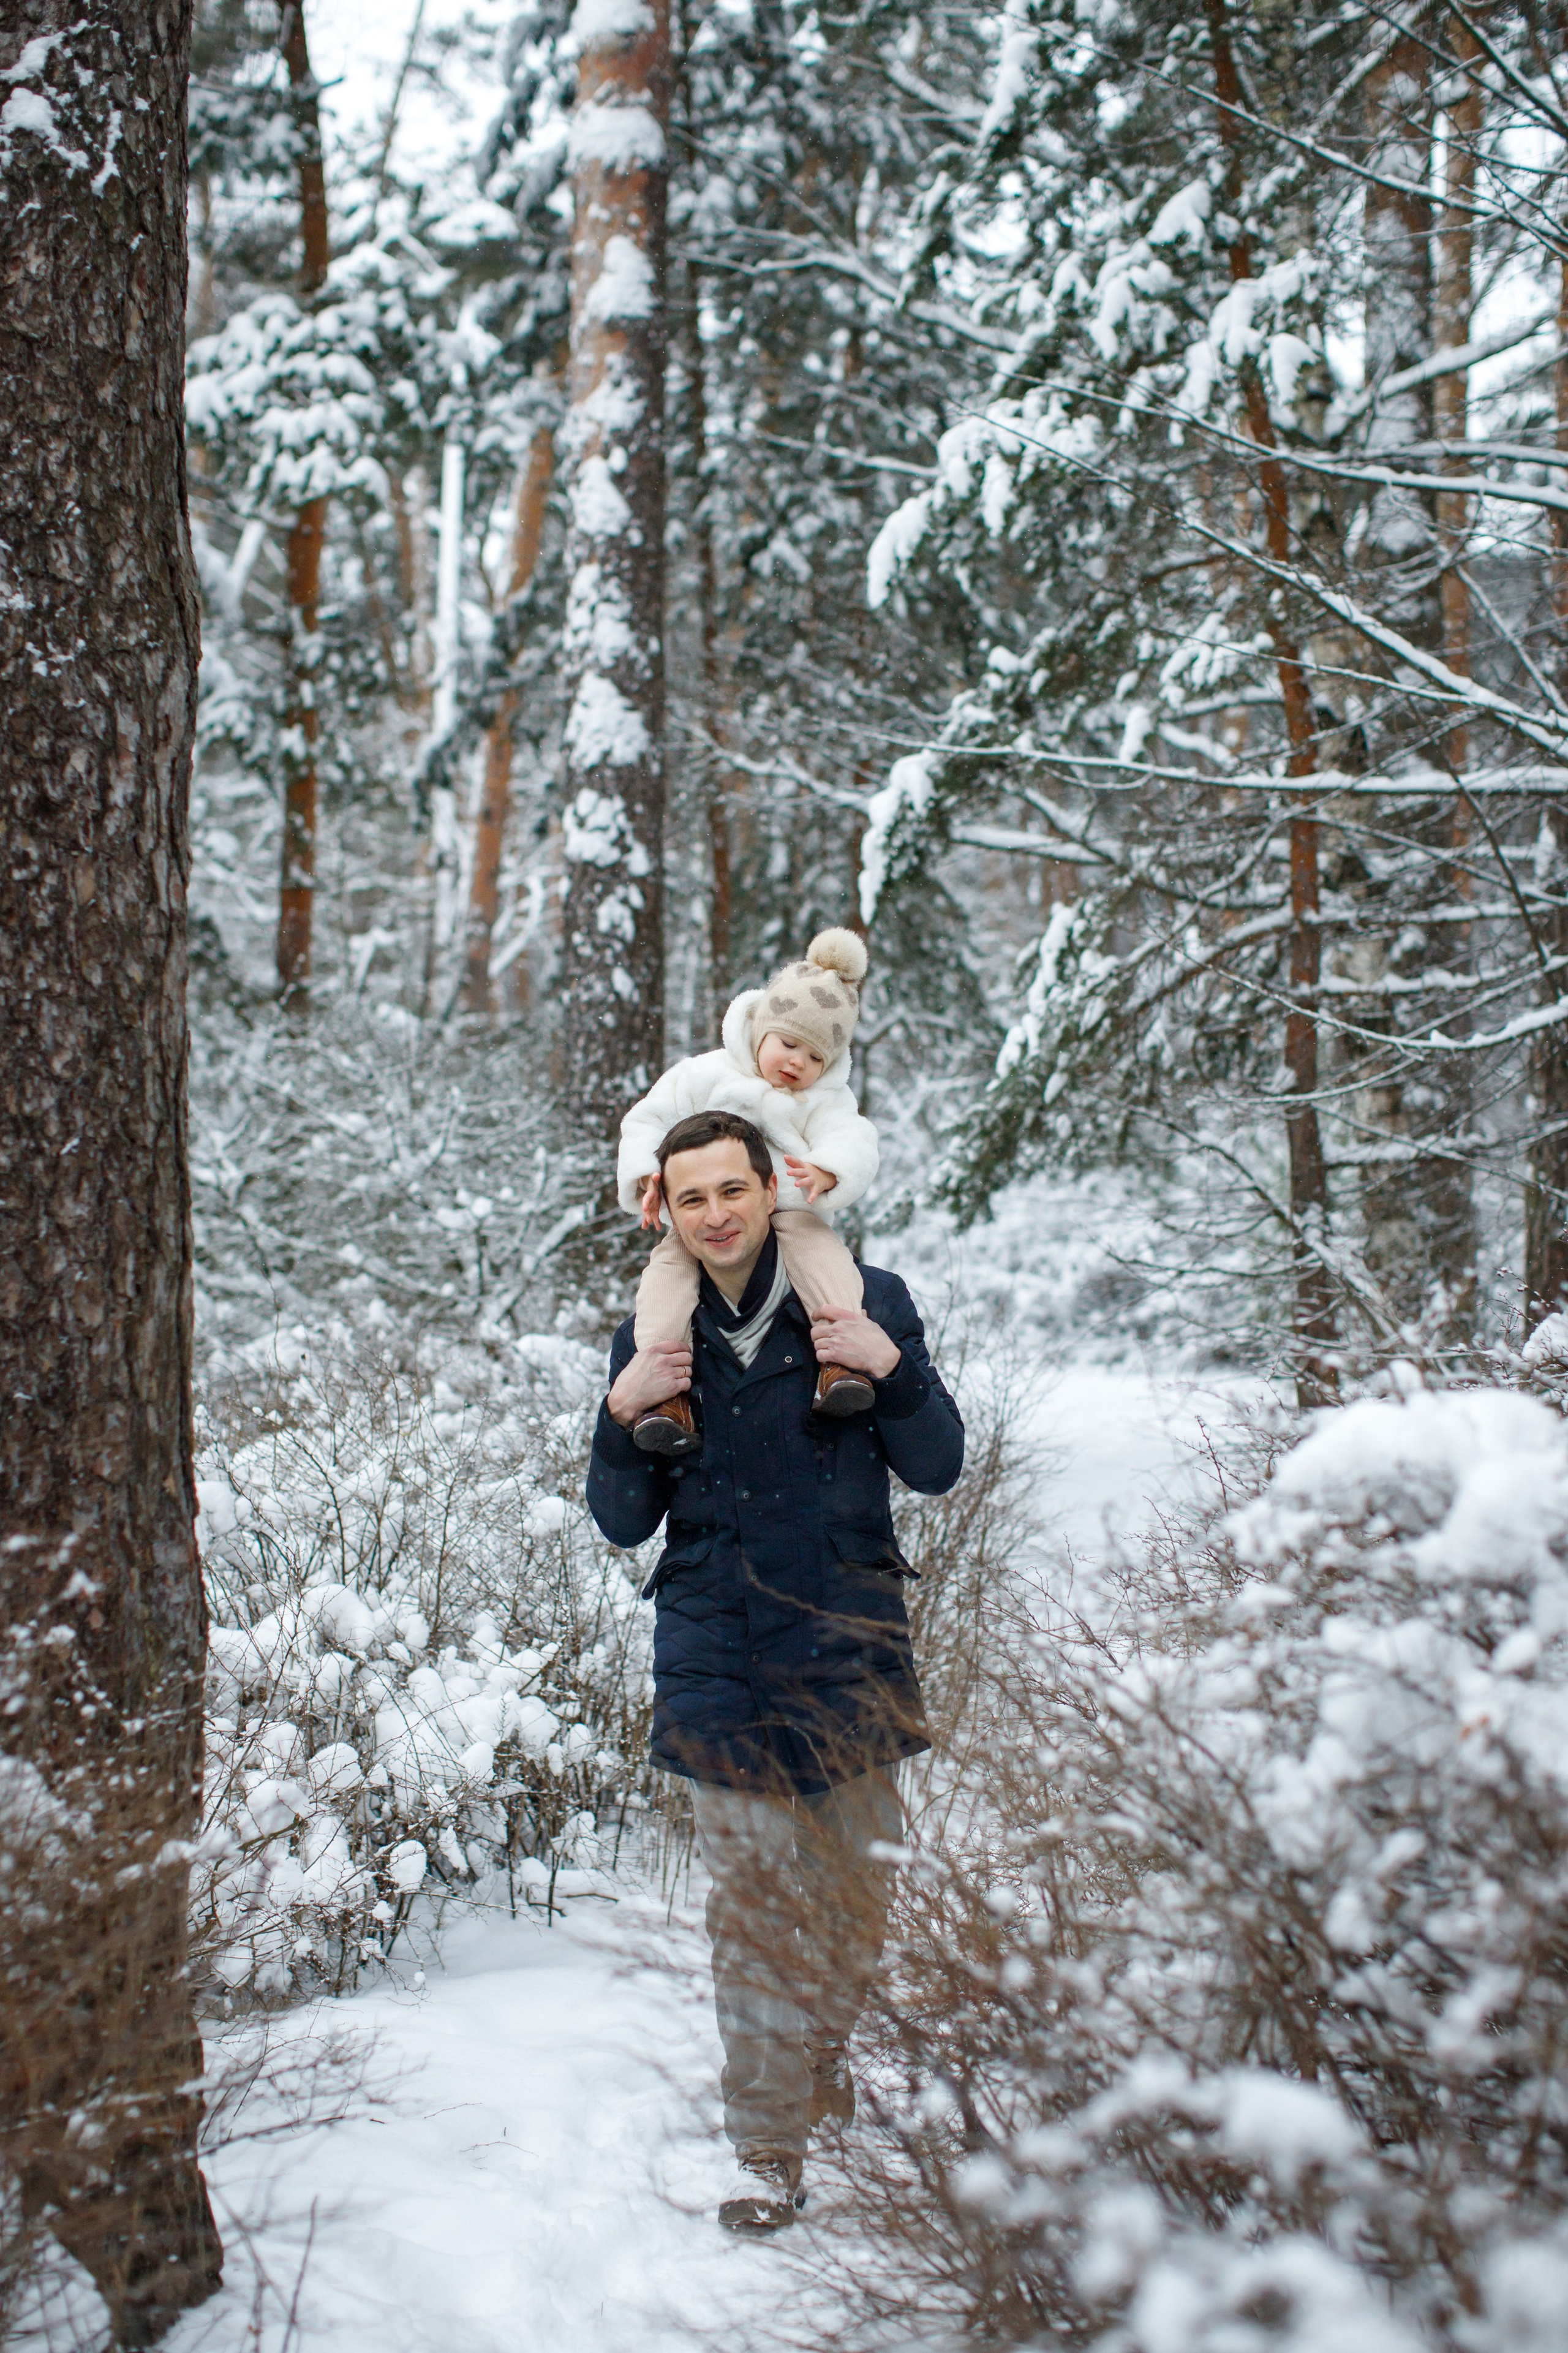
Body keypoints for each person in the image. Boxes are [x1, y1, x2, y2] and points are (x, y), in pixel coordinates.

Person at [586, 1110, 965, 2234]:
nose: (716, 1215)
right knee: (750, 1909)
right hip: (714, 1644)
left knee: (857, 1899)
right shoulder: (652, 1331)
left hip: (849, 1633)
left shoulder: (864, 1297)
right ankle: (766, 2142)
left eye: (731, 1190)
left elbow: (937, 1464)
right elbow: (621, 1522)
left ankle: (817, 2053)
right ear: (668, 1207)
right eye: (691, 1197)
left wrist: (887, 1370)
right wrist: (620, 1416)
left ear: (770, 1188)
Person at [616, 929, 880, 1452]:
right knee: (667, 1277)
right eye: (788, 1043)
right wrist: (650, 1176)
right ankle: (665, 1393)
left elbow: (856, 1139)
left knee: (826, 1260)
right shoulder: (706, 1073)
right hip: (699, 1215)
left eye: (813, 1057)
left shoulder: (823, 1101)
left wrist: (827, 1169)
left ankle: (841, 1364)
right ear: (760, 1030)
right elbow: (648, 1118)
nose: (796, 1063)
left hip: (788, 1208)